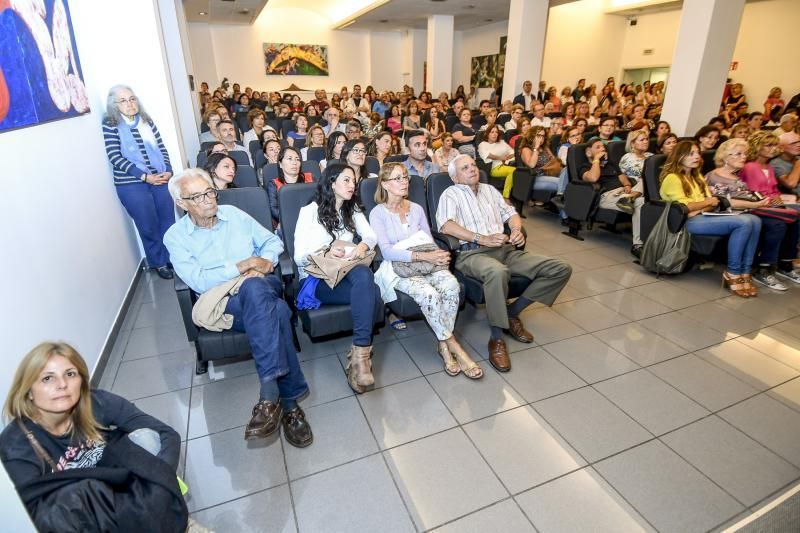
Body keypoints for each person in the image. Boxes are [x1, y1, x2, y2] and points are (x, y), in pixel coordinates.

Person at [164, 170, 312, 444]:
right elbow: (197, 279)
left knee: (255, 287)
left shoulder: (233, 214)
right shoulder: (175, 236)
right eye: (198, 196)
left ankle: (268, 399)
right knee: (278, 312)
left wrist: (266, 261)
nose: (209, 199)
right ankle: (290, 405)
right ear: (182, 203)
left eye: (210, 191)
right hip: (223, 302)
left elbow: (273, 241)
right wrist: (241, 266)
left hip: (260, 284)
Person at [0, 342, 192, 532]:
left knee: (147, 439)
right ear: (28, 391)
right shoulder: (15, 447)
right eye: (47, 378)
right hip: (84, 518)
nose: (62, 384)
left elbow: (166, 434)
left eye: (70, 374)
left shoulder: (96, 402)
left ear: (81, 380)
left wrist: (159, 482)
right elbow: (36, 518)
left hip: (125, 490)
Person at [436, 155, 572, 371]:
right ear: (455, 177)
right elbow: (446, 226)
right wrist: (481, 238)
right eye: (465, 168)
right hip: (472, 254)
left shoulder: (490, 190)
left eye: (473, 165)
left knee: (560, 268)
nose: (472, 169)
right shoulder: (451, 194)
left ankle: (512, 312)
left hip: (505, 250)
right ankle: (497, 338)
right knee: (497, 272)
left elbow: (511, 213)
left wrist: (516, 230)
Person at [370, 163, 482, 378]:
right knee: (428, 294)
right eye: (397, 178)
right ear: (384, 184)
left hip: (426, 261)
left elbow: (428, 242)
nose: (404, 181)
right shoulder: (378, 214)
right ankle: (454, 347)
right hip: (398, 267)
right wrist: (423, 256)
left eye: (405, 177)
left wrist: (438, 255)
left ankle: (442, 344)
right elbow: (385, 251)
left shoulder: (416, 209)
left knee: (451, 286)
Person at [294, 164, 381, 393]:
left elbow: (371, 235)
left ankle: (360, 356)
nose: (352, 185)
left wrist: (362, 245)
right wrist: (326, 251)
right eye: (346, 180)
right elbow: (298, 256)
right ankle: (361, 359)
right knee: (371, 291)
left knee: (363, 274)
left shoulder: (352, 210)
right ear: (331, 183)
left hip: (347, 272)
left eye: (353, 181)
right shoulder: (310, 211)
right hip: (318, 278)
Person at [659, 141, 761, 297]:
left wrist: (702, 206)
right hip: (684, 222)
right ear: (679, 156)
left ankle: (745, 272)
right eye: (691, 153)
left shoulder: (697, 176)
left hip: (700, 217)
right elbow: (685, 208)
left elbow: (712, 203)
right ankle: (732, 273)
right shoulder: (673, 178)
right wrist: (705, 203)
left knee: (755, 220)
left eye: (698, 153)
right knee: (744, 222)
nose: (697, 157)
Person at [707, 138, 799, 292]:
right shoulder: (715, 176)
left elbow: (751, 196)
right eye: (738, 154)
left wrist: (760, 202)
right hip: (727, 213)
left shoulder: (737, 177)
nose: (744, 157)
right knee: (770, 223)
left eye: (744, 153)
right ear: (725, 157)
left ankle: (753, 269)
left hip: (747, 210)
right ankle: (752, 270)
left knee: (791, 219)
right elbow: (723, 203)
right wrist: (757, 203)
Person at [102, 85, 175, 280]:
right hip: (132, 184)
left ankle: (172, 258)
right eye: (124, 100)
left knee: (168, 221)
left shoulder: (146, 120)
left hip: (159, 178)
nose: (130, 104)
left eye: (132, 99)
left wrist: (168, 170)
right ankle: (159, 262)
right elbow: (114, 156)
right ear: (115, 105)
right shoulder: (110, 123)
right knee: (148, 225)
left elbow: (161, 147)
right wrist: (144, 176)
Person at [618, 130, 653, 256]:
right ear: (632, 143)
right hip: (636, 186)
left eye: (646, 139)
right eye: (641, 139)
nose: (645, 142)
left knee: (649, 180)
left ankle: (631, 198)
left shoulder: (651, 156)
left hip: (651, 189)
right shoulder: (627, 157)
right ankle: (638, 245)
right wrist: (627, 184)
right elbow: (621, 175)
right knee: (646, 180)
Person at [267, 146, 314, 228]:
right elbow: (274, 209)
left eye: (297, 159)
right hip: (287, 222)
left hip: (312, 221)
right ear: (280, 164)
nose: (294, 162)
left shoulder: (310, 178)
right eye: (290, 158)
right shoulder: (274, 184)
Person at [518, 126, 562, 197]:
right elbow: (532, 165)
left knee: (566, 176)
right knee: (561, 183)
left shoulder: (544, 147)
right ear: (532, 136)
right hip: (536, 178)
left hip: (550, 174)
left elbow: (554, 160)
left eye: (543, 136)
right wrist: (536, 148)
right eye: (538, 135)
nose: (541, 138)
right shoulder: (526, 149)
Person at [478, 124, 515, 199]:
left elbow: (512, 152)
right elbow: (488, 155)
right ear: (487, 134)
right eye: (492, 132)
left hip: (507, 164)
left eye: (496, 132)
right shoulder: (483, 144)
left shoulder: (502, 142)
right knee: (514, 171)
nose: (495, 134)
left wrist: (507, 157)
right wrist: (500, 158)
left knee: (520, 172)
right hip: (494, 167)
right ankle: (505, 196)